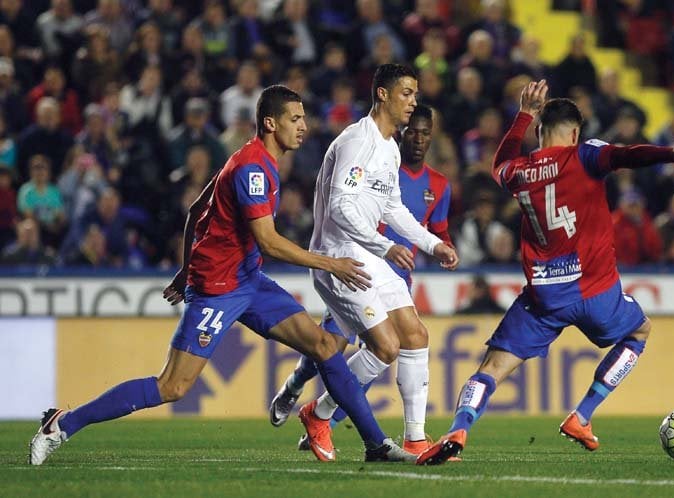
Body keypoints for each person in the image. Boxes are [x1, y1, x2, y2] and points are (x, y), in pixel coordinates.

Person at [28, 85, 416, 466]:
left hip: (249, 280)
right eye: (294, 119)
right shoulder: (251, 168)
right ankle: (60, 425)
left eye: (303, 118)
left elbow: (197, 209)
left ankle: (375, 444)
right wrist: (331, 263)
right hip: (217, 288)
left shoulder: (250, 159)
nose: (303, 126)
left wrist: (184, 267)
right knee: (172, 386)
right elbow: (268, 242)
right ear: (270, 122)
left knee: (324, 346)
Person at [417, 80, 674, 465]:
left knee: (492, 369)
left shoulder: (520, 170)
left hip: (544, 298)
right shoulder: (585, 156)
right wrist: (671, 153)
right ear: (575, 132)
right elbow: (627, 154)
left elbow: (498, 165)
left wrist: (522, 115)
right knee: (639, 331)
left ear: (539, 132)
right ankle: (582, 415)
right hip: (596, 292)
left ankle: (459, 428)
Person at [296, 64, 459, 462]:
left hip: (368, 253)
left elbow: (394, 206)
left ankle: (416, 439)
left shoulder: (388, 147)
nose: (413, 102)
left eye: (415, 94)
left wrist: (432, 243)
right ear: (383, 94)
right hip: (339, 258)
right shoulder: (359, 142)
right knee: (385, 347)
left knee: (415, 335)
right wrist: (384, 246)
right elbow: (339, 206)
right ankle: (318, 414)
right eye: (406, 93)